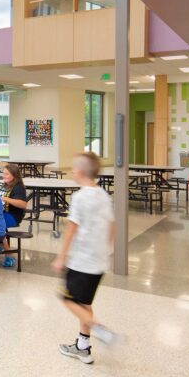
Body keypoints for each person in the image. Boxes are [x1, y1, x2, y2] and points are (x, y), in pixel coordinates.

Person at [52, 152, 118, 364]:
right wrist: (105, 249)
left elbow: (71, 228)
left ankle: (99, 329)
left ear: (79, 172)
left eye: (73, 168)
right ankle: (83, 347)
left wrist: (61, 256)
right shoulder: (102, 194)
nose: (71, 171)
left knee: (67, 298)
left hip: (82, 261)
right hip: (98, 262)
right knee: (84, 303)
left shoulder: (80, 197)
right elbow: (112, 225)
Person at [0, 163, 28, 268]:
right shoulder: (6, 185)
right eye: (3, 173)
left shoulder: (18, 187)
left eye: (6, 174)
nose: (3, 176)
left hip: (13, 216)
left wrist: (6, 199)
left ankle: (9, 255)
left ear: (14, 176)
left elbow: (23, 204)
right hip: (3, 213)